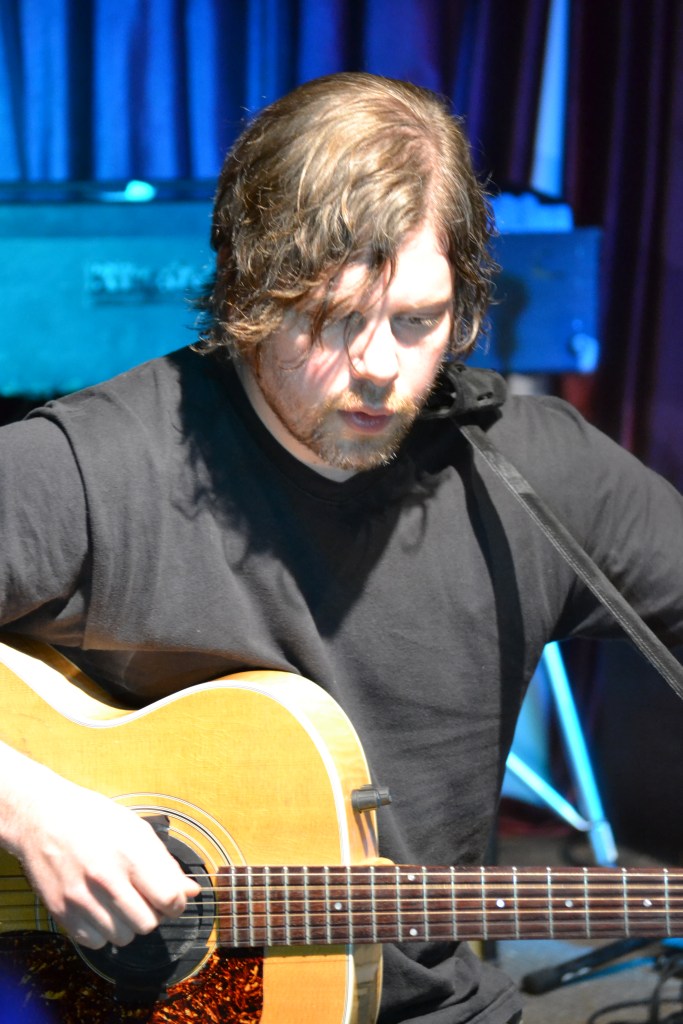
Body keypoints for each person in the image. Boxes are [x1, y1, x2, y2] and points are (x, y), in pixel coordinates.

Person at [1, 71, 683, 1024]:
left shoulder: (534, 479)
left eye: (418, 321)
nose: (377, 366)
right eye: (332, 320)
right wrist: (27, 809)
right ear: (250, 291)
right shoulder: (91, 465)